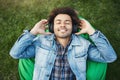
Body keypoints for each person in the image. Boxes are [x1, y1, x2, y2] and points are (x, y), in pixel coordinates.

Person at [10, 7, 117, 80]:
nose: (62, 25)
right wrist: (33, 32)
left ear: (74, 28)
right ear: (51, 27)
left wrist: (91, 31)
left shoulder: (84, 45)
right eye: (58, 22)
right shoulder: (40, 42)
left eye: (67, 22)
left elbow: (109, 57)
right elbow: (15, 53)